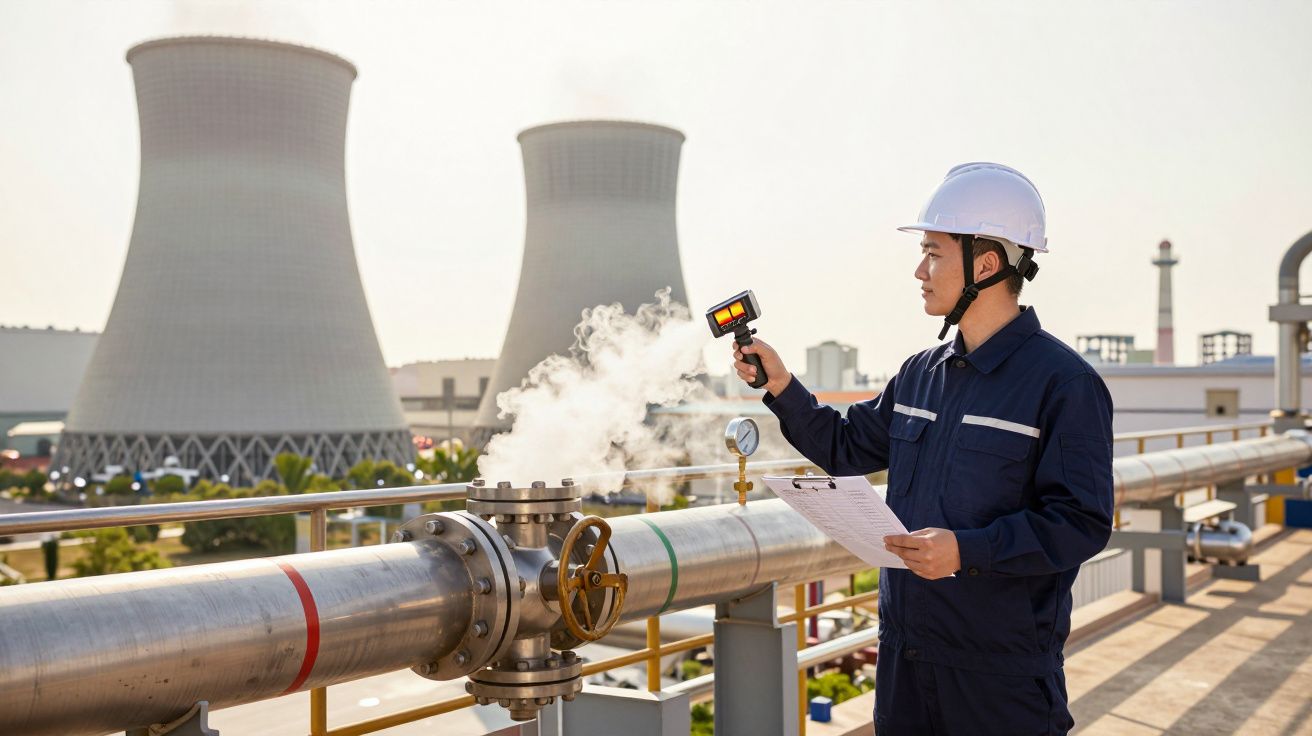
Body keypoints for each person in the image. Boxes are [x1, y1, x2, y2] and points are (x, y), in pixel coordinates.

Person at [734, 162, 1113, 735]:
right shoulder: (919, 375)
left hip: (999, 680)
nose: (919, 270)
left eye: (934, 252)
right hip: (905, 664)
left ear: (986, 265)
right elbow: (843, 446)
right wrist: (781, 386)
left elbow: (1081, 523)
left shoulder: (1063, 384)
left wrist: (968, 549)